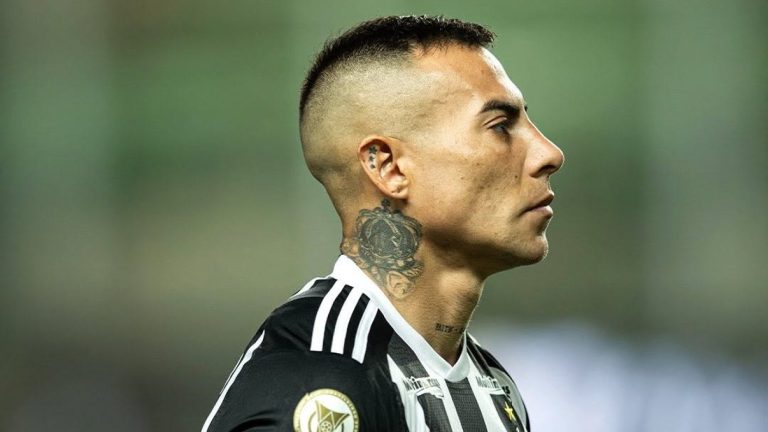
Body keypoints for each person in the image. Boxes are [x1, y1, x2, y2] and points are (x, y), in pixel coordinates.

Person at [202, 15, 564, 432]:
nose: (549, 154)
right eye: (500, 126)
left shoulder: (493, 386)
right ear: (388, 168)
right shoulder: (325, 375)